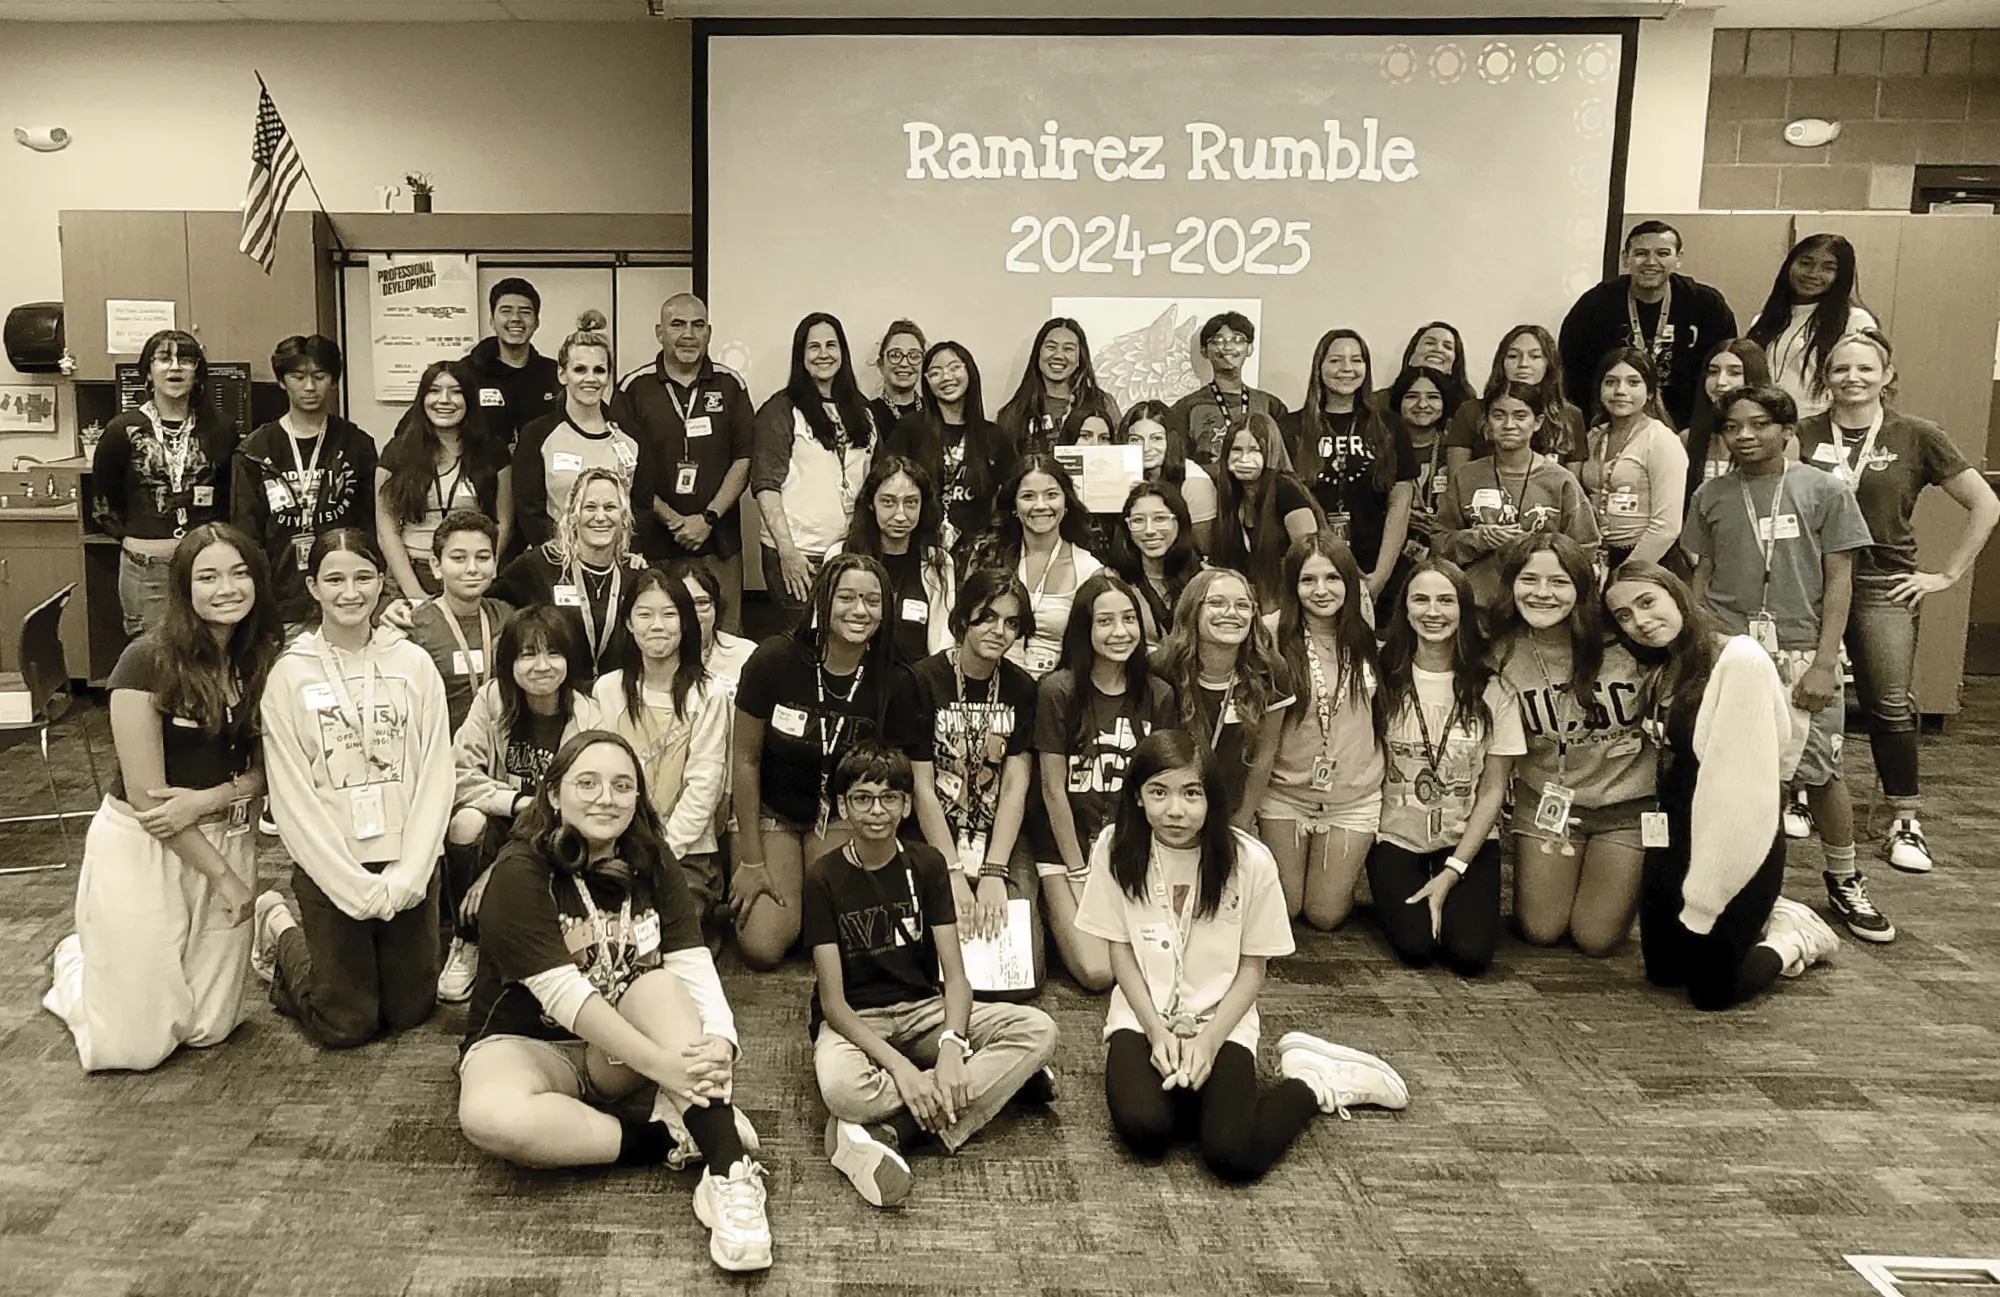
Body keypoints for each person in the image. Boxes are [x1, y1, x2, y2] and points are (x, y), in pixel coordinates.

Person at [454, 731, 770, 1273]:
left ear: (638, 797)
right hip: (529, 1045)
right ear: (554, 795)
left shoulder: (652, 859)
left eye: (623, 785)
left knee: (663, 986)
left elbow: (691, 961)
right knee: (487, 1116)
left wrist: (722, 1040)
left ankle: (729, 1170)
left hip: (621, 1050)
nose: (607, 797)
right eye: (588, 783)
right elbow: (565, 994)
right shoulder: (518, 871)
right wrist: (665, 1066)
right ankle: (665, 1136)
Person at [1076, 730, 1408, 1183]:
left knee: (1231, 1155)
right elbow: (1121, 953)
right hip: (1143, 1015)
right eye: (1159, 792)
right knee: (1146, 1132)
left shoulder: (1250, 861)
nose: (1175, 810)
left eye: (1191, 794)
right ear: (1137, 796)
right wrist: (1156, 1032)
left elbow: (1254, 970)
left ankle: (1311, 1082)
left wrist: (1208, 1042)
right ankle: (1197, 1093)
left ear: (1212, 798)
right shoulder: (1115, 848)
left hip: (1221, 1018)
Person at [44, 523, 280, 1072]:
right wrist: (224, 876)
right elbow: (149, 800)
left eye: (240, 573)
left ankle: (121, 960)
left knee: (208, 1028)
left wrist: (209, 799)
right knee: (133, 1049)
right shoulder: (144, 661)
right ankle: (78, 962)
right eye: (208, 576)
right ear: (184, 588)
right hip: (145, 842)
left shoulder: (264, 656)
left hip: (225, 827)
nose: (227, 588)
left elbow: (270, 771)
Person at [805, 742, 1058, 1207]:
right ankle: (998, 1087)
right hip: (857, 1021)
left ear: (906, 805)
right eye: (862, 798)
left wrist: (949, 1047)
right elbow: (833, 1006)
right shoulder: (823, 877)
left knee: (1038, 1028)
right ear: (843, 806)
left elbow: (956, 978)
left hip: (924, 1009)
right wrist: (904, 1068)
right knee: (843, 1091)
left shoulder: (927, 864)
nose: (876, 811)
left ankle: (898, 1130)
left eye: (888, 798)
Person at [1684, 386, 1890, 942]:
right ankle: (1751, 887)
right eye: (1733, 427)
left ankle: (1845, 879)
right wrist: (1703, 643)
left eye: (1758, 424)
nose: (1745, 436)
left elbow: (1842, 581)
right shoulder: (1712, 495)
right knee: (1737, 772)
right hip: (1731, 651)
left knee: (1820, 771)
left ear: (1787, 429)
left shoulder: (1824, 490)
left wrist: (1826, 663)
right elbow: (1698, 579)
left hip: (1802, 650)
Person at [1796, 330, 1999, 874]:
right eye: (1841, 369)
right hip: (1811, 584)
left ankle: (1902, 818)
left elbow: (1985, 503)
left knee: (1886, 704)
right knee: (1802, 693)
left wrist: (1947, 574)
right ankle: (1798, 791)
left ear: (1887, 376)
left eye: (1866, 369)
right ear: (1826, 377)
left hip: (1886, 585)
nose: (1852, 379)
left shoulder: (1917, 436)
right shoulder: (1803, 433)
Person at [1604, 562, 1839, 1009]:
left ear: (1677, 594)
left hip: (1736, 840)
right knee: (1663, 972)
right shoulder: (1667, 664)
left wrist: (1704, 898)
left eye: (1647, 602)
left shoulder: (1739, 661)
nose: (1640, 621)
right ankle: (1747, 920)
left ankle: (1794, 935)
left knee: (1712, 992)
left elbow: (1740, 801)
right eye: (1624, 616)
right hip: (1675, 829)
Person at [251, 529, 453, 1048]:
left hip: (406, 857)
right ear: (313, 587)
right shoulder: (289, 676)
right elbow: (292, 796)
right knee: (347, 1023)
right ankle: (280, 927)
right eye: (334, 579)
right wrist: (346, 881)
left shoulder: (413, 664)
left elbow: (435, 774)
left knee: (411, 1010)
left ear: (382, 583)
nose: (350, 592)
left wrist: (412, 871)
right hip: (331, 861)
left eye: (363, 578)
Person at [730, 554, 918, 969]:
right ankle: (787, 899)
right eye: (846, 598)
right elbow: (744, 760)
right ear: (823, 602)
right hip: (772, 813)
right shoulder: (775, 659)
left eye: (871, 601)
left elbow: (897, 783)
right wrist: (750, 859)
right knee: (765, 944)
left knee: (847, 943)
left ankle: (804, 902)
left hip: (841, 817)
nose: (859, 610)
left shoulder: (896, 680)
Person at [1491, 534, 1655, 956]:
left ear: (1583, 587)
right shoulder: (1499, 652)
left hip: (1627, 809)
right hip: (1546, 805)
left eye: (1558, 582)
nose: (1542, 593)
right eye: (1529, 579)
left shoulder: (1629, 643)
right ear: (1511, 584)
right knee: (1541, 931)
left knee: (1595, 940)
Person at [1365, 559, 1524, 975]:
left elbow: (1493, 789)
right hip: (1396, 836)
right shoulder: (1381, 678)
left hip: (1466, 841)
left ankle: (1450, 891)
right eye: (1420, 600)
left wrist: (1454, 871)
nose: (1432, 612)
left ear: (1463, 610)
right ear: (1404, 610)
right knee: (1416, 948)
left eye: (1445, 601)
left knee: (1470, 957)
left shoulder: (1494, 688)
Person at [441, 605, 605, 1003]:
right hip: (504, 819)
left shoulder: (589, 718)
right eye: (527, 655)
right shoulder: (491, 700)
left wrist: (494, 871)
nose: (542, 666)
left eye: (553, 653)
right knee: (464, 823)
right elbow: (459, 774)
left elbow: (579, 807)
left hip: (556, 834)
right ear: (509, 662)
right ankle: (468, 939)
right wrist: (516, 802)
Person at [1031, 570, 1176, 991]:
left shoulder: (1159, 694)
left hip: (1130, 852)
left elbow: (1161, 788)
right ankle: (1055, 914)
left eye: (1129, 619)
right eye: (1105, 621)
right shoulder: (1056, 691)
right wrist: (1078, 872)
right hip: (1066, 852)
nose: (1120, 631)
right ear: (1084, 628)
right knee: (1097, 973)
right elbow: (1052, 791)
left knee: (1164, 963)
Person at [904, 569, 1045, 994]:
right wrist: (948, 869)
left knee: (1022, 974)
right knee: (923, 967)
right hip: (933, 833)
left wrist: (994, 871)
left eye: (1011, 623)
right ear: (964, 618)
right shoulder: (921, 680)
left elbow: (1015, 785)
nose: (998, 631)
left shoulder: (1021, 688)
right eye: (987, 617)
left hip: (997, 835)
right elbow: (921, 786)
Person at [591, 569, 734, 932]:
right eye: (645, 614)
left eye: (670, 614)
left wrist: (660, 850)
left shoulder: (709, 694)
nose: (657, 625)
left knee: (663, 925)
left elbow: (705, 785)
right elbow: (599, 774)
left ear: (686, 623)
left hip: (687, 852)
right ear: (628, 622)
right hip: (616, 841)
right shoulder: (608, 690)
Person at [1259, 535, 1386, 930]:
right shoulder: (1268, 636)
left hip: (1353, 795)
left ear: (1349, 583)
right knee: (1286, 909)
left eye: (1332, 578)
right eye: (1307, 579)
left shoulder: (1367, 638)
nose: (1320, 590)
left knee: (1325, 915)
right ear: (1292, 586)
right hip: (1285, 793)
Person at [617, 293, 754, 635]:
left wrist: (707, 518)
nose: (688, 334)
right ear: (659, 332)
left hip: (718, 542)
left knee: (723, 639)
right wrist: (674, 520)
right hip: (655, 544)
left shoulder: (731, 385)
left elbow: (745, 459)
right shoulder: (634, 388)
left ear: (709, 333)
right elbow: (624, 468)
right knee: (661, 638)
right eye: (677, 325)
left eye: (698, 325)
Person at [91, 329, 242, 635]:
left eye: (186, 360)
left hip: (206, 565)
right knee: (153, 660)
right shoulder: (122, 430)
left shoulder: (221, 429)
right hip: (147, 568)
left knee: (210, 651)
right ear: (148, 371)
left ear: (198, 374)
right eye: (164, 359)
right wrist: (144, 536)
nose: (175, 367)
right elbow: (104, 502)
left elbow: (228, 497)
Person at [232, 335, 378, 624]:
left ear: (334, 381)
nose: (309, 387)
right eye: (298, 377)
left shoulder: (356, 444)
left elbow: (369, 525)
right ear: (282, 381)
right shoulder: (255, 450)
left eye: (320, 376)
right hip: (278, 599)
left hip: (345, 595)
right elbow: (246, 534)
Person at [751, 312, 878, 625]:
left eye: (831, 346)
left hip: (849, 552)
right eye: (814, 347)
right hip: (800, 554)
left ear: (842, 353)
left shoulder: (861, 410)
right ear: (801, 356)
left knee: (846, 638)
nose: (824, 354)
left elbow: (875, 480)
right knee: (806, 643)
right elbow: (766, 487)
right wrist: (788, 553)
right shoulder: (780, 410)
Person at [1434, 383, 1600, 615]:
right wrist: (1477, 538)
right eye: (1498, 416)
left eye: (1520, 416)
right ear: (1487, 423)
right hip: (1477, 606)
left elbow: (1585, 549)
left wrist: (1538, 548)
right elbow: (1439, 541)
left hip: (1541, 605)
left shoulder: (1561, 480)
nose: (1509, 425)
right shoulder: (1467, 476)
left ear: (1538, 422)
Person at [1559, 221, 1740, 430]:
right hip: (1611, 424)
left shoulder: (1706, 305)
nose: (1651, 262)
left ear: (1678, 258)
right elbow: (1571, 373)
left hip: (1689, 427)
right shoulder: (1595, 305)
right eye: (1641, 253)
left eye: (1662, 253)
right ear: (1625, 258)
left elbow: (1726, 365)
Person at [1152, 567, 1294, 827]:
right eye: (1217, 603)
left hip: (1230, 815)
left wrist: (1242, 820)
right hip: (1166, 813)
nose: (1231, 613)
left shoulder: (1270, 670)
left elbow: (1265, 754)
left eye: (1243, 605)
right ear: (1192, 610)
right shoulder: (1161, 667)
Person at [1281, 329, 1414, 600]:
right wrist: (1323, 569)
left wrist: (1380, 576)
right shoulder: (1290, 428)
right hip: (1312, 569)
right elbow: (1287, 503)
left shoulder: (1390, 426)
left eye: (1356, 360)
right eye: (1335, 360)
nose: (1347, 368)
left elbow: (1400, 503)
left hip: (1379, 566)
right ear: (1319, 367)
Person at [495, 467, 650, 687]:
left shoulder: (635, 574)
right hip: (558, 701)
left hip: (618, 701)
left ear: (623, 517)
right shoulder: (541, 563)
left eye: (610, 507)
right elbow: (490, 599)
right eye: (590, 507)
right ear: (573, 515)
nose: (600, 517)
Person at [513, 310, 649, 552]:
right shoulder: (537, 435)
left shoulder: (632, 437)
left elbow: (642, 507)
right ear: (562, 374)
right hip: (557, 557)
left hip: (617, 559)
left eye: (599, 370)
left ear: (609, 377)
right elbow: (528, 509)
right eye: (580, 370)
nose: (591, 378)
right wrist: (567, 549)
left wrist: (620, 551)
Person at [376, 359, 511, 599]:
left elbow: (504, 523)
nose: (445, 400)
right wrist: (414, 594)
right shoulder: (398, 452)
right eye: (434, 391)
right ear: (422, 399)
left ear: (469, 399)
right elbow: (386, 530)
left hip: (471, 574)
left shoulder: (493, 452)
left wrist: (484, 572)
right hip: (412, 572)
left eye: (456, 392)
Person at [880, 341, 1018, 565]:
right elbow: (883, 483)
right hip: (919, 551)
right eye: (935, 372)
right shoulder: (911, 429)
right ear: (926, 382)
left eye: (955, 368)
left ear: (970, 372)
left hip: (978, 557)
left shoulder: (993, 436)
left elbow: (1013, 494)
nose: (946, 377)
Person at [975, 454, 1103, 679]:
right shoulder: (988, 558)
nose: (1041, 505)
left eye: (1051, 495)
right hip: (992, 690)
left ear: (1066, 502)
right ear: (1014, 505)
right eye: (1028, 496)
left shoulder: (1090, 570)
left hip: (1059, 695)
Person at [824, 454, 956, 665]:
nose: (900, 515)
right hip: (852, 678)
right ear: (870, 504)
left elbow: (943, 643)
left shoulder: (938, 562)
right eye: (888, 502)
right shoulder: (840, 556)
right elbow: (821, 627)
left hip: (915, 682)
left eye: (911, 502)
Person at [403, 510, 515, 732]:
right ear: (436, 565)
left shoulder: (508, 617)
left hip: (499, 748)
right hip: (441, 750)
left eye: (482, 558)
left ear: (495, 564)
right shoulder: (414, 627)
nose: (472, 568)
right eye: (458, 558)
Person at [1746, 233, 1877, 421]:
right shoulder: (1764, 321)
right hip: (1768, 425)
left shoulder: (1855, 321)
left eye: (1828, 268)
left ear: (1841, 276)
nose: (1813, 274)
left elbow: (1866, 384)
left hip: (1822, 427)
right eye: (1806, 263)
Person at [1579, 348, 1687, 568]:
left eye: (1633, 382)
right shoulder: (1593, 436)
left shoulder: (1661, 440)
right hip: (1601, 557)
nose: (1620, 390)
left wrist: (1628, 572)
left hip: (1650, 559)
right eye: (1611, 382)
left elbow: (1666, 528)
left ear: (1649, 392)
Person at [1210, 413, 1319, 613]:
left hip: (1295, 607)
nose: (1244, 458)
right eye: (1236, 449)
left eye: (1255, 450)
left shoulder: (1286, 490)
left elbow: (1312, 557)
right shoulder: (1231, 497)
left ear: (1271, 453)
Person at [1445, 324, 1586, 471]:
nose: (1523, 364)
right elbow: (1457, 481)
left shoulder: (1570, 415)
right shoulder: (1470, 411)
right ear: (1502, 362)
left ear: (1549, 363)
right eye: (1513, 356)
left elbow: (1572, 488)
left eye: (1535, 356)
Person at [1166, 312, 1289, 467]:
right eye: (1218, 340)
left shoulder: (1271, 406)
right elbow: (1175, 463)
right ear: (1204, 351)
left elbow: (1282, 462)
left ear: (1250, 349)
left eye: (1238, 339)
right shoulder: (1187, 407)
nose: (1228, 347)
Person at [995, 317, 1120, 455]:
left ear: (1080, 358)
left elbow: (1120, 458)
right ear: (1038, 354)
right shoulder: (1014, 413)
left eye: (1068, 349)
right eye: (1051, 347)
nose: (1059, 355)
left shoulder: (1103, 403)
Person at [464, 276, 562, 451]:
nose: (516, 318)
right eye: (506, 311)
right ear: (492, 321)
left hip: (541, 475)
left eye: (525, 312)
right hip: (482, 476)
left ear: (537, 322)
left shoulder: (556, 375)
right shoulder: (465, 373)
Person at [1106, 480, 1201, 642]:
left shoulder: (1204, 580)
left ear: (1180, 521)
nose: (1149, 530)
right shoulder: (1111, 582)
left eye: (1160, 518)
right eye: (1138, 520)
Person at [1120, 400, 1218, 554]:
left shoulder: (1195, 483)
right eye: (1136, 440)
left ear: (1171, 440)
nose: (1146, 448)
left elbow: (1204, 549)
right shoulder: (1122, 477)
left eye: (1156, 438)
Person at [1685, 339, 1773, 503]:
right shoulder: (1687, 438)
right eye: (1713, 372)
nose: (1720, 382)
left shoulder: (1777, 438)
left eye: (1734, 373)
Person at [1391, 322, 1479, 405]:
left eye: (1447, 347)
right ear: (1411, 354)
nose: (1438, 349)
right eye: (1429, 343)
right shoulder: (1380, 402)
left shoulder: (1469, 407)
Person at [867, 319, 927, 434]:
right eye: (895, 355)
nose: (904, 363)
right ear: (881, 365)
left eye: (914, 356)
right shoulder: (867, 415)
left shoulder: (935, 412)